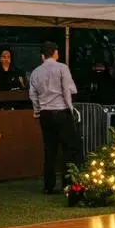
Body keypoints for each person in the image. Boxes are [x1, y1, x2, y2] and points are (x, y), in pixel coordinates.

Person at [28, 41, 82, 194]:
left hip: (45, 113)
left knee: (49, 149)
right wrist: (70, 108)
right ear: (55, 53)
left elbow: (32, 94)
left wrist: (37, 110)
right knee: (68, 149)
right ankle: (67, 183)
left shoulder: (36, 72)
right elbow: (67, 90)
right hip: (61, 111)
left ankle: (48, 185)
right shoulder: (62, 68)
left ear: (42, 56)